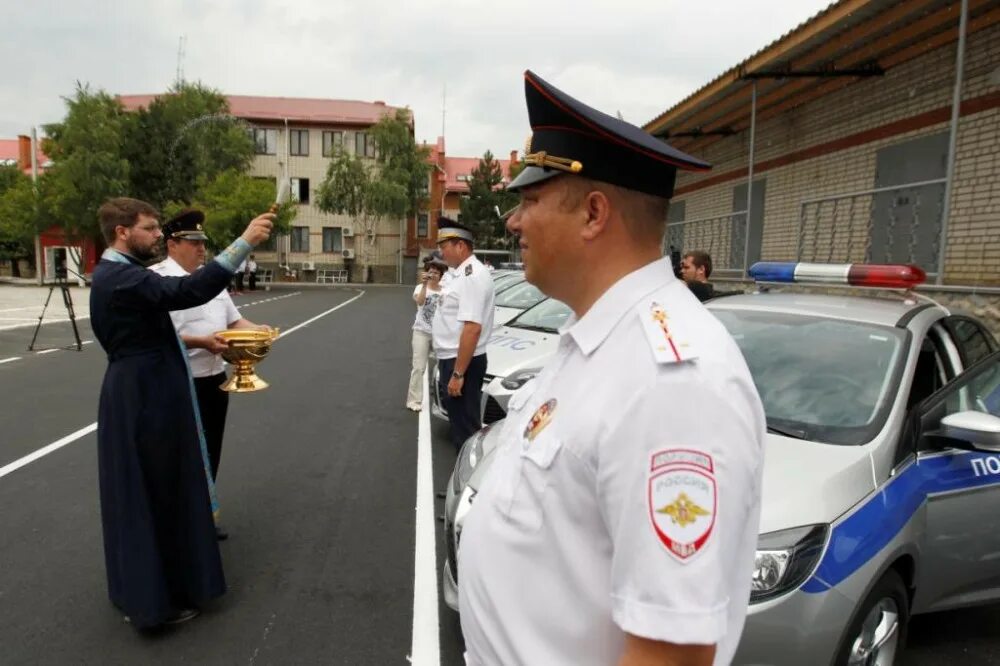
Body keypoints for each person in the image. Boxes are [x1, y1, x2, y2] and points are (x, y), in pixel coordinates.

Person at [458, 71, 766, 666]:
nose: (513, 223)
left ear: (594, 213)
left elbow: (669, 653)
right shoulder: (599, 339)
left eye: (528, 200)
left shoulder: (673, 382)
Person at [90, 197, 272, 630]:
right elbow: (187, 291)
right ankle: (153, 602)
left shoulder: (119, 273)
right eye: (150, 229)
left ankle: (154, 586)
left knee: (159, 490)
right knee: (153, 492)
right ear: (122, 232)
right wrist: (244, 242)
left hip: (146, 390)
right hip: (146, 397)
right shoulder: (123, 277)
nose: (158, 236)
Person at [150, 209, 273, 540]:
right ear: (173, 243)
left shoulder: (210, 280)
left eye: (203, 242)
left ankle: (205, 512)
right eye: (193, 242)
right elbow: (156, 336)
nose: (201, 248)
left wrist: (259, 331)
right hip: (180, 382)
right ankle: (179, 522)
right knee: (181, 455)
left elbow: (233, 321)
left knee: (211, 449)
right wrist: (201, 341)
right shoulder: (157, 279)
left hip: (215, 378)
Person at [431, 218, 496, 447]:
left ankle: (470, 479)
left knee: (467, 431)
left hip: (462, 362)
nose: (441, 252)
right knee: (458, 424)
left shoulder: (472, 276)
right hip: (451, 358)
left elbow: (472, 328)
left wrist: (458, 374)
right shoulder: (456, 273)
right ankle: (464, 475)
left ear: (460, 246)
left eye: (444, 246)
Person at [406, 254, 448, 411]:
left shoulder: (445, 291)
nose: (433, 275)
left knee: (444, 367)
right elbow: (420, 301)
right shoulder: (419, 288)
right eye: (430, 272)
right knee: (418, 367)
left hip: (439, 334)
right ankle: (413, 400)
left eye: (436, 273)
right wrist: (424, 285)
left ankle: (444, 399)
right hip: (421, 332)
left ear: (441, 276)